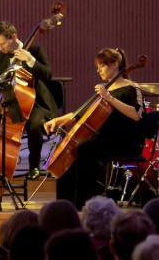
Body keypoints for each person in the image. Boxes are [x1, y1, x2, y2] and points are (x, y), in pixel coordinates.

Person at [45, 48, 144, 209]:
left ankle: (84, 202)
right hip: (103, 140)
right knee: (69, 151)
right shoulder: (106, 89)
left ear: (115, 64)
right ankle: (64, 205)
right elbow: (80, 115)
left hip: (124, 141)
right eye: (97, 66)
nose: (98, 70)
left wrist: (109, 97)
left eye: (102, 66)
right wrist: (56, 121)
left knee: (84, 147)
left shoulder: (131, 88)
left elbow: (137, 115)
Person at [0, 20, 57, 173]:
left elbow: (47, 75)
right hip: (13, 104)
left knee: (33, 124)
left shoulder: (35, 51)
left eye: (3, 44)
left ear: (14, 37)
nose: (0, 48)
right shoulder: (0, 58)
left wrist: (29, 59)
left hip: (37, 103)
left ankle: (34, 166)